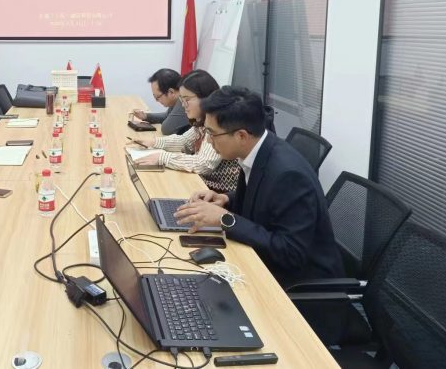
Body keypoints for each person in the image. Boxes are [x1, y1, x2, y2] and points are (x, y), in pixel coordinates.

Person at [174, 86, 344, 287]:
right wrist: (226, 199)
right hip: (265, 262)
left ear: (241, 136)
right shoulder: (259, 150)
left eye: (212, 134)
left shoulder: (289, 176)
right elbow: (265, 197)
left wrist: (225, 219)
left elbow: (290, 252)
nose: (209, 141)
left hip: (299, 284)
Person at [131, 70, 240, 192]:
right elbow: (184, 141)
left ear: (205, 97)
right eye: (182, 100)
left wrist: (163, 157)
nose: (183, 105)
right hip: (203, 185)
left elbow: (203, 164)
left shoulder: (218, 122)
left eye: (187, 100)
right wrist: (153, 142)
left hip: (221, 193)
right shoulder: (201, 121)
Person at [131, 68, 189, 135]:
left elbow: (166, 129)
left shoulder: (184, 101)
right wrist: (145, 116)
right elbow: (167, 115)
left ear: (171, 92)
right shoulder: (177, 99)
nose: (156, 101)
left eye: (158, 97)